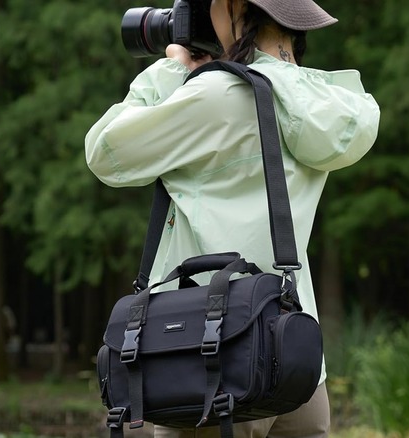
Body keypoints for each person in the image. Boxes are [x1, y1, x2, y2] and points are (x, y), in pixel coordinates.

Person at [85, 0, 380, 435]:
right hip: (295, 364)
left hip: (206, 360)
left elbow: (105, 152)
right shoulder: (332, 103)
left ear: (231, 6)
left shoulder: (214, 96)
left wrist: (172, 68)